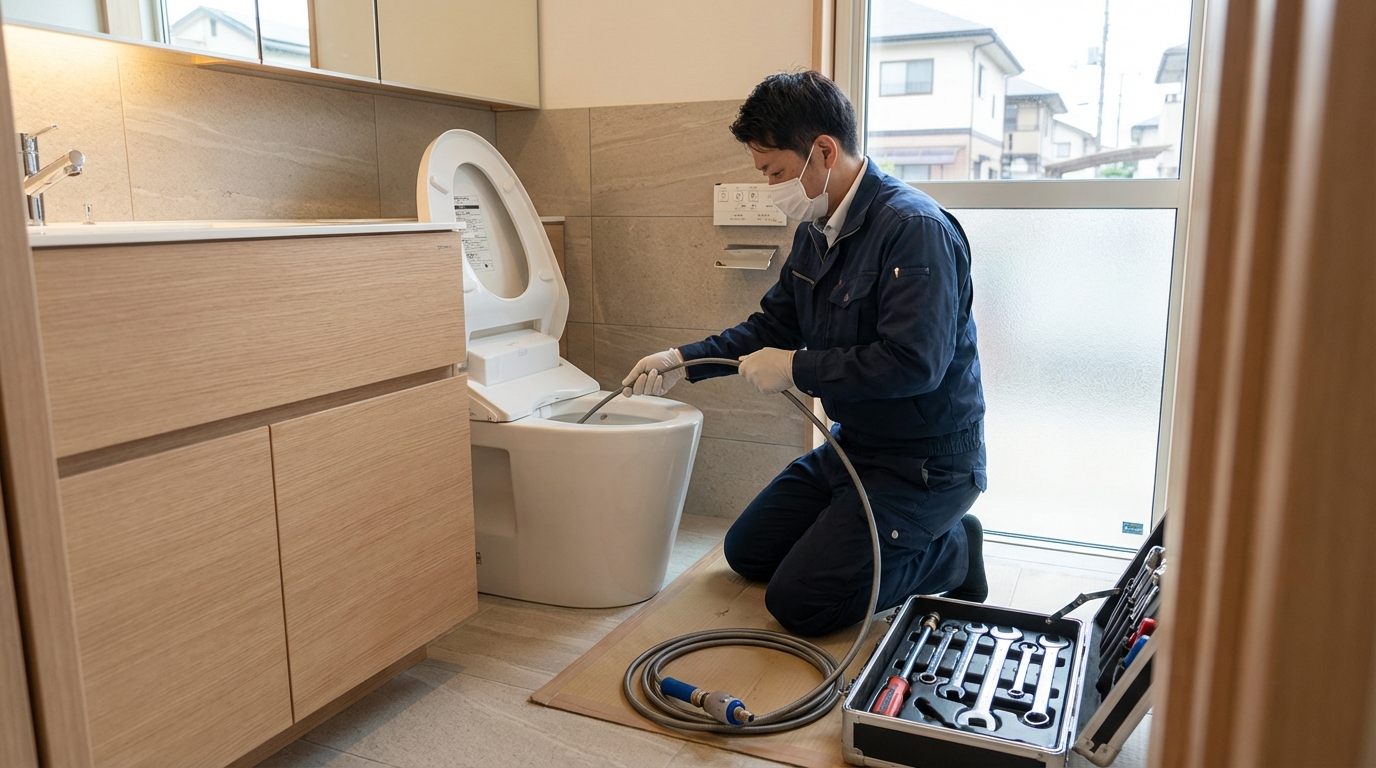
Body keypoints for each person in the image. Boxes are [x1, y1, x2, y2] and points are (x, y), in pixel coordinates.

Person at [622, 71, 988, 637]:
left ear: (823, 150)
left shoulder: (914, 229)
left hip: (926, 463)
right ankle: (856, 530)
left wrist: (796, 367)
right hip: (856, 448)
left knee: (802, 602)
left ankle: (954, 552)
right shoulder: (817, 229)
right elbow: (773, 324)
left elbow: (916, 364)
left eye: (774, 172)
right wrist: (681, 359)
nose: (771, 188)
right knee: (747, 554)